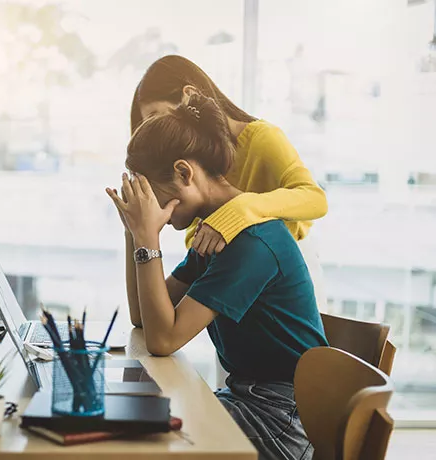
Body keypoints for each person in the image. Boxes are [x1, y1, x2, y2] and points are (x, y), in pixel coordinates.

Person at [106, 93, 328, 460]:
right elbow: (143, 319)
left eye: (152, 194)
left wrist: (148, 238)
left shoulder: (250, 242)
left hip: (280, 420)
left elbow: (164, 339)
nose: (151, 206)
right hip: (248, 398)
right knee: (132, 425)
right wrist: (134, 231)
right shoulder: (216, 231)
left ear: (183, 172)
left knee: (141, 443)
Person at [129, 55, 329, 316]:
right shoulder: (193, 169)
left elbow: (315, 198)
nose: (155, 131)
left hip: (282, 283)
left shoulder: (261, 138)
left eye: (156, 117)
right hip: (232, 275)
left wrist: (240, 209)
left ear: (189, 96)